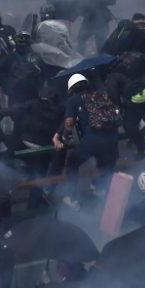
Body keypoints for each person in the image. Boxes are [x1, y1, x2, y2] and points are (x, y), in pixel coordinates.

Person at [53, 73, 121, 211]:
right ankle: (100, 193)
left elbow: (69, 122)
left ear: (71, 89)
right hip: (112, 140)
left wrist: (64, 137)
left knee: (72, 162)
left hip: (93, 140)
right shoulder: (101, 95)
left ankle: (72, 198)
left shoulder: (74, 100)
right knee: (106, 166)